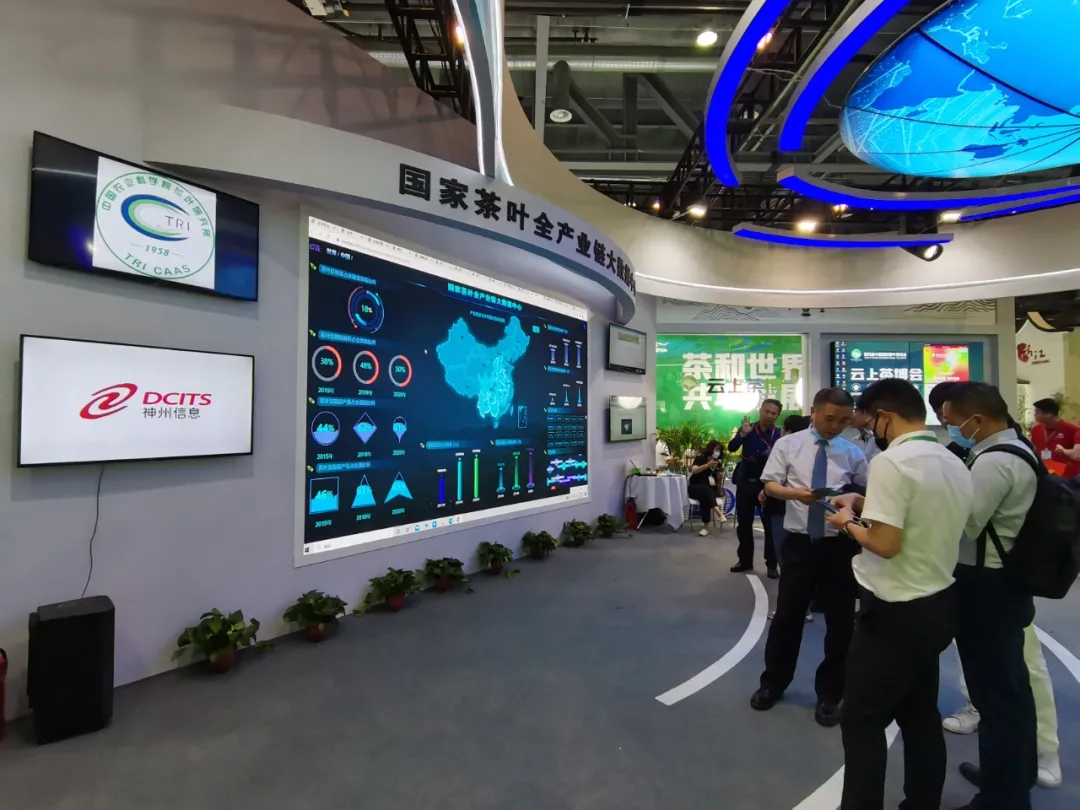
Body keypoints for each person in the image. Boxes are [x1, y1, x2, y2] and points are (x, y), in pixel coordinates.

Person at [825, 379, 972, 810]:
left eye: (869, 424)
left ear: (885, 417)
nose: (869, 433)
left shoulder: (892, 461)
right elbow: (922, 514)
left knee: (861, 719)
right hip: (938, 601)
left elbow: (885, 544)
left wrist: (847, 523)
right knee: (919, 715)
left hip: (893, 611)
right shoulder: (951, 460)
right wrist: (866, 502)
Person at [942, 382, 1039, 810]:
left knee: (997, 694)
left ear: (977, 420)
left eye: (953, 422)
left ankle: (1003, 796)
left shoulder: (994, 461)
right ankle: (1008, 774)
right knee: (1006, 690)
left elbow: (964, 523)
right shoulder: (1018, 449)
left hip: (987, 585)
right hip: (1004, 582)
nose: (952, 429)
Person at [750, 388, 867, 727]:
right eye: (830, 418)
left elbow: (866, 491)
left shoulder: (853, 452)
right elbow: (770, 485)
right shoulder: (788, 445)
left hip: (841, 546)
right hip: (800, 544)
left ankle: (830, 694)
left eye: (844, 421)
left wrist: (852, 499)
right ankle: (773, 683)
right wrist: (795, 494)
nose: (835, 426)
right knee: (788, 617)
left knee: (841, 623)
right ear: (814, 412)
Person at [762, 414, 813, 624]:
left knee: (787, 561)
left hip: (785, 512)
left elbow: (773, 483)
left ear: (789, 431)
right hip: (799, 513)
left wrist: (772, 489)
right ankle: (805, 605)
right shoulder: (809, 450)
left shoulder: (785, 447)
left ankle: (794, 608)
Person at [728, 399, 783, 576]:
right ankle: (745, 561)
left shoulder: (779, 434)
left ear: (778, 415)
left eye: (773, 413)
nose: (769, 415)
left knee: (770, 526)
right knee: (744, 524)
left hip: (768, 485)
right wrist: (742, 435)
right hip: (746, 483)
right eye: (766, 411)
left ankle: (772, 564)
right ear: (760, 410)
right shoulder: (749, 428)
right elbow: (731, 448)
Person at [1031, 397, 1080, 477]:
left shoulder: (1072, 430)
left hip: (1065, 476)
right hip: (1044, 473)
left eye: (1037, 413)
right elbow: (1034, 450)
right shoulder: (1036, 430)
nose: (1034, 415)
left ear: (1049, 414)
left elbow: (1077, 456)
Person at [687, 440, 725, 537]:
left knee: (705, 494)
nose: (718, 452)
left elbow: (716, 480)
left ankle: (706, 527)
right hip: (695, 487)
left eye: (719, 450)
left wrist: (719, 476)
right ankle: (719, 513)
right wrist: (708, 465)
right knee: (705, 491)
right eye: (716, 449)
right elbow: (694, 470)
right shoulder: (700, 458)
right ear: (711, 449)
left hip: (709, 489)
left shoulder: (718, 463)